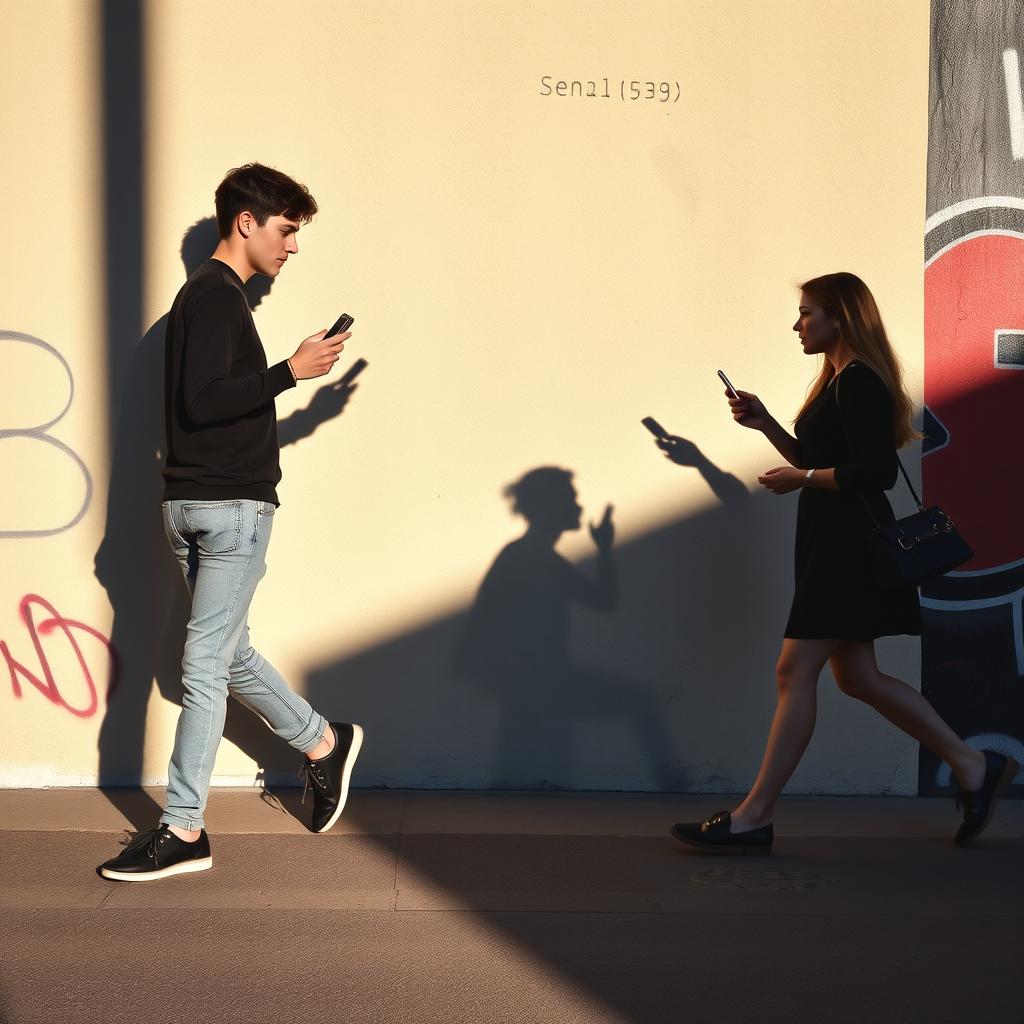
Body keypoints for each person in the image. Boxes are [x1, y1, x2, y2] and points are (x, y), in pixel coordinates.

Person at [670, 272, 1018, 853]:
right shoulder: (838, 380)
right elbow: (821, 460)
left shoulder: (860, 383)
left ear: (841, 318)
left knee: (793, 672)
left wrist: (802, 478)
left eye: (807, 313)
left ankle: (753, 817)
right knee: (857, 676)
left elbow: (875, 474)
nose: (797, 324)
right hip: (834, 539)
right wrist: (766, 425)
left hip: (847, 546)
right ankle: (974, 765)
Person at [99, 163, 363, 881]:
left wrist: (298, 399)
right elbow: (206, 402)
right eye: (287, 229)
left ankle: (184, 826)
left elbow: (212, 409)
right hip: (214, 507)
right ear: (245, 222)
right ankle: (320, 742)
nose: (293, 248)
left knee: (207, 661)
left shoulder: (211, 301)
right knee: (225, 655)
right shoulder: (215, 299)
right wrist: (290, 371)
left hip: (219, 506)